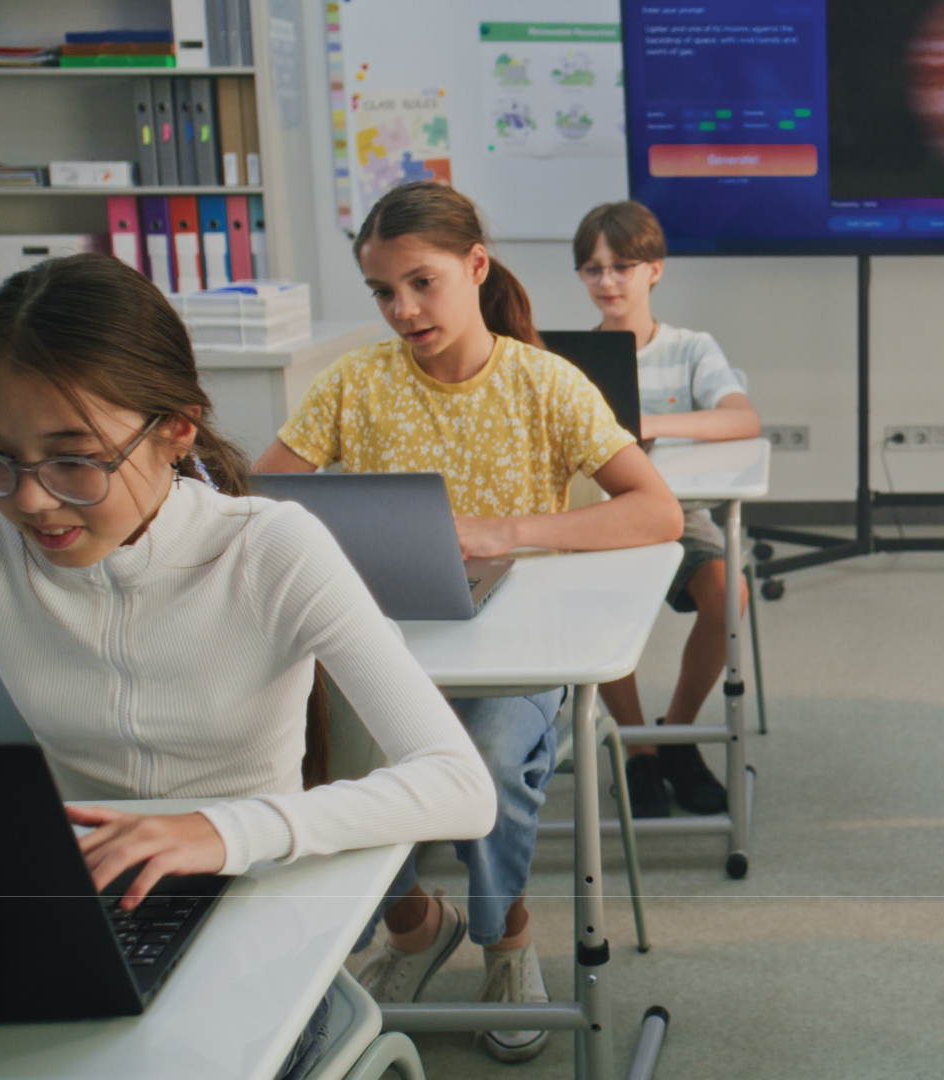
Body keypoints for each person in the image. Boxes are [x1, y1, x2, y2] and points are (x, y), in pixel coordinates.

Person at [0, 253, 496, 1080]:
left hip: (257, 902)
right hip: (80, 904)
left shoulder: (267, 548)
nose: (29, 500)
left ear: (176, 429)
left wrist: (222, 829)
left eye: (75, 460)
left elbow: (461, 786)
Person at [253, 181, 684, 1063]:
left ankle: (508, 939)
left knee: (486, 757)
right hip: (384, 642)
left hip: (515, 646)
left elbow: (657, 511)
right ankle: (414, 927)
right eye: (383, 292)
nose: (402, 310)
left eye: (422, 283)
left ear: (476, 267)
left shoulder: (544, 382)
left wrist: (507, 531)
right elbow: (267, 501)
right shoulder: (353, 384)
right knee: (317, 759)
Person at [572, 199, 759, 819]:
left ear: (654, 269)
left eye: (622, 266)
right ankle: (639, 749)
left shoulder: (689, 348)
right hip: (601, 520)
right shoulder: (565, 360)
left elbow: (742, 418)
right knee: (591, 611)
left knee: (727, 595)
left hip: (683, 515)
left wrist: (641, 423)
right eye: (593, 269)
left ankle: (679, 736)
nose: (607, 281)